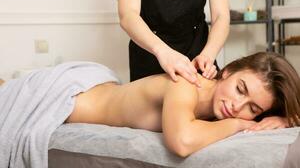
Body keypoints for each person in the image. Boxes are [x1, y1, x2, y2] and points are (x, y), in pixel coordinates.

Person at [64, 52, 300, 157]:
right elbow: (182, 142)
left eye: (253, 109)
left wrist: (282, 118)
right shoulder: (186, 84)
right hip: (71, 98)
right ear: (227, 71)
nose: (238, 106)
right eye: (240, 89)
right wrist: (238, 125)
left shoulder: (219, 109)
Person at [115, 0, 230, 85]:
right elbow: (128, 15)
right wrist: (163, 52)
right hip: (150, 52)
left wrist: (208, 55)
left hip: (197, 54)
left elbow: (221, 17)